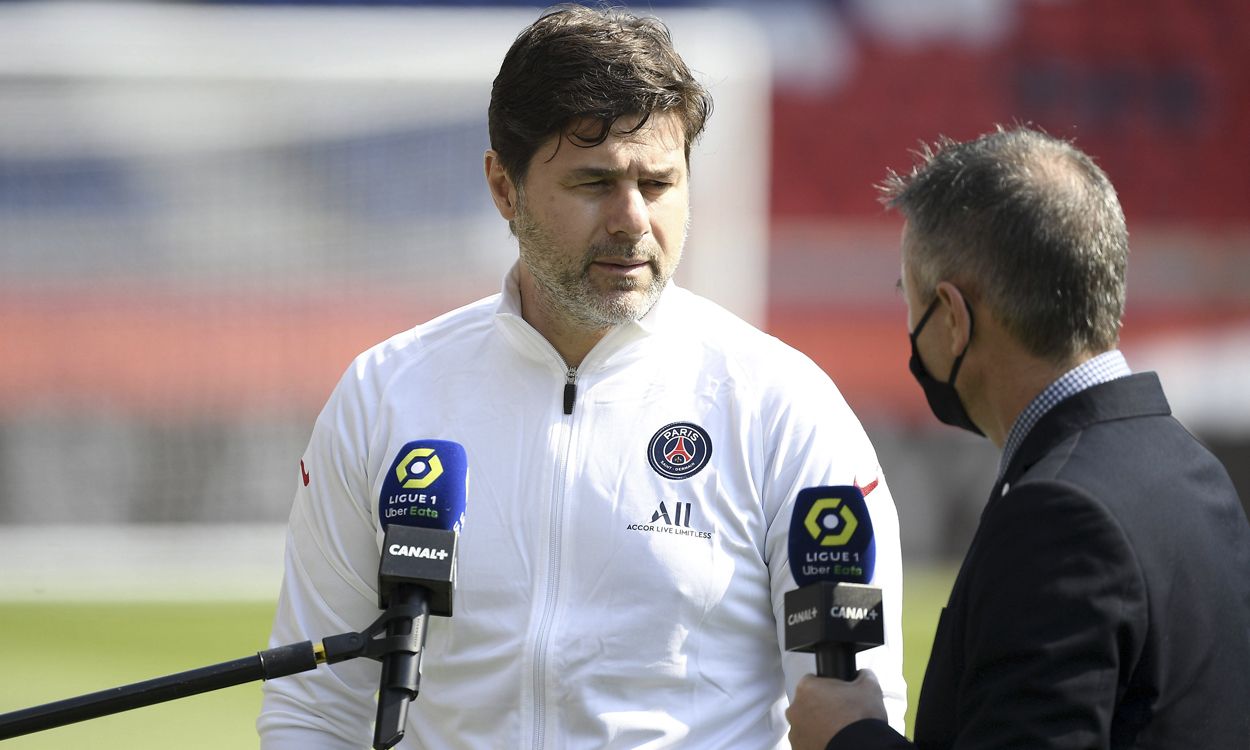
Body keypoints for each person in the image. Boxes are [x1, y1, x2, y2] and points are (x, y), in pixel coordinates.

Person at [258, 5, 907, 748]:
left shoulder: (782, 407)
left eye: (658, 183)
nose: (632, 218)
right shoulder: (388, 394)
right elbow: (313, 710)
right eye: (594, 182)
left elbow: (854, 712)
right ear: (505, 188)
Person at [786, 125, 1250, 749]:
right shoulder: (1194, 467)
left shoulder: (1060, 514)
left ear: (952, 318)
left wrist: (848, 735)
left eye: (910, 299)